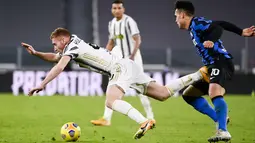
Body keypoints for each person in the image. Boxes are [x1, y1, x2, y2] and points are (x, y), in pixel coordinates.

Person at [22, 27, 207, 139]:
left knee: (111, 101)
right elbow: (56, 57)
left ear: (63, 40)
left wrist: (42, 83)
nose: (55, 48)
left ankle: (144, 121)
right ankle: (200, 74)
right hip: (126, 65)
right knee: (163, 94)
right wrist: (36, 53)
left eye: (55, 43)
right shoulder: (73, 43)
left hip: (118, 68)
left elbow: (60, 65)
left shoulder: (72, 47)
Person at [174, 1, 255, 142]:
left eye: (175, 16)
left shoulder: (196, 22)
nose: (175, 20)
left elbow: (217, 28)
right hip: (211, 66)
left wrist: (211, 39)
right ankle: (220, 118)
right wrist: (241, 32)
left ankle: (223, 131)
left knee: (214, 92)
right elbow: (221, 23)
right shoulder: (194, 28)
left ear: (182, 15)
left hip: (221, 61)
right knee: (189, 95)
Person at [90, 0, 155, 126]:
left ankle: (150, 116)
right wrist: (102, 56)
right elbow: (111, 42)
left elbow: (137, 40)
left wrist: (132, 55)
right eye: (114, 8)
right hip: (121, 61)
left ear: (123, 9)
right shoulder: (112, 24)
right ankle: (106, 118)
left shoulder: (129, 22)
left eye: (119, 8)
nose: (117, 10)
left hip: (133, 59)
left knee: (140, 88)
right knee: (112, 86)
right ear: (112, 10)